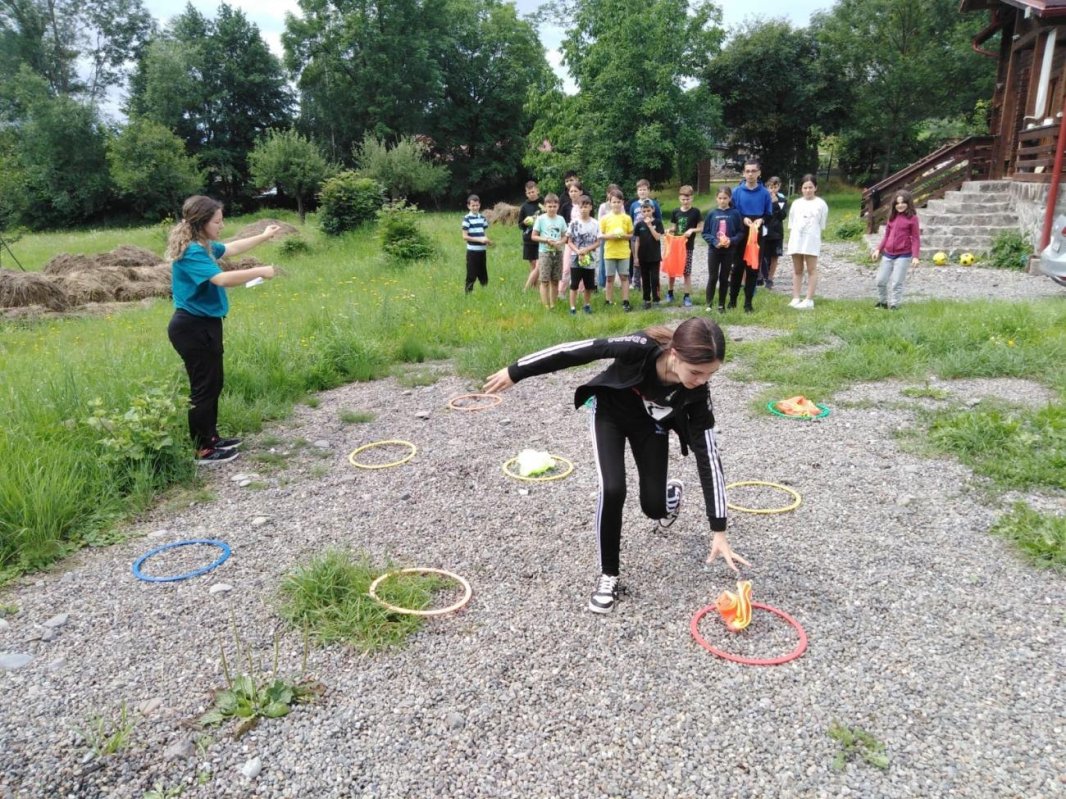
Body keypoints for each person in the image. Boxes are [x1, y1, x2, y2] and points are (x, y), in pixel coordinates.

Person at [482, 317, 749, 614]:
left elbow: (709, 455)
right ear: (674, 354)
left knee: (653, 507)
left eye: (710, 375)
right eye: (697, 372)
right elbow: (576, 351)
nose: (702, 380)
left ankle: (667, 498)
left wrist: (719, 529)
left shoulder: (698, 393)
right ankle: (609, 575)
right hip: (610, 413)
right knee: (612, 489)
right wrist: (516, 371)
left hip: (651, 425)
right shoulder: (639, 347)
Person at [165, 195, 278, 465]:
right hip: (192, 327)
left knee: (213, 384)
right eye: (217, 221)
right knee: (203, 389)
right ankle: (202, 450)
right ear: (202, 222)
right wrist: (258, 270)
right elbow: (221, 278)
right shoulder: (192, 251)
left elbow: (231, 248)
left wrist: (263, 236)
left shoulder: (202, 245)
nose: (222, 225)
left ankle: (211, 438)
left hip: (204, 324)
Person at [871, 189, 921, 310]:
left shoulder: (913, 218)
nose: (900, 205)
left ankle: (894, 305)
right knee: (880, 281)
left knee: (897, 282)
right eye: (897, 203)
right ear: (894, 205)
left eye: (903, 202)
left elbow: (915, 238)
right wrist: (878, 249)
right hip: (888, 254)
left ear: (908, 203)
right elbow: (886, 235)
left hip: (903, 255)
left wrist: (915, 256)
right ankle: (882, 303)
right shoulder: (891, 217)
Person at [786, 174, 829, 309]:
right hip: (797, 239)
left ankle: (809, 299)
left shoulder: (821, 204)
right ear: (801, 189)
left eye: (810, 187)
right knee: (797, 270)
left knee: (811, 269)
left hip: (811, 240)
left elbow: (821, 224)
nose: (808, 190)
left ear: (815, 188)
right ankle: (796, 297)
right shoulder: (796, 203)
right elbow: (792, 222)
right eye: (805, 187)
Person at [701, 186, 744, 312]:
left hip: (728, 251)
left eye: (725, 198)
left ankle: (721, 304)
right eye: (720, 198)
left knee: (724, 278)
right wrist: (714, 241)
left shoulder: (735, 213)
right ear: (716, 199)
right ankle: (709, 304)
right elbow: (705, 233)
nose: (722, 201)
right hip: (714, 251)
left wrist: (731, 241)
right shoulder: (711, 213)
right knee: (712, 277)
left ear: (730, 198)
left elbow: (741, 233)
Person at [531, 193, 569, 308]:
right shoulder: (541, 219)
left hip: (558, 252)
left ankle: (553, 304)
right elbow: (534, 236)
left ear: (558, 206)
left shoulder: (561, 219)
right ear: (545, 206)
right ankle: (545, 305)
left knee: (555, 280)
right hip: (545, 252)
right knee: (544, 280)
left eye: (554, 206)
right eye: (549, 206)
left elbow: (565, 236)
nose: (552, 208)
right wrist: (546, 240)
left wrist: (560, 242)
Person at [598, 188, 634, 311]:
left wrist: (623, 236)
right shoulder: (605, 218)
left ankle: (625, 301)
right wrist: (611, 236)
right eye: (614, 202)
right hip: (610, 252)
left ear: (622, 202)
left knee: (624, 277)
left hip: (623, 252)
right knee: (609, 278)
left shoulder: (627, 218)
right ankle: (608, 300)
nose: (616, 204)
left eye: (618, 202)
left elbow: (631, 235)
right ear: (609, 203)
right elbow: (601, 235)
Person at [667, 185, 702, 306]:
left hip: (688, 247)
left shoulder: (696, 212)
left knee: (686, 272)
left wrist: (692, 230)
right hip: (675, 245)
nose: (685, 201)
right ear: (679, 199)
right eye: (683, 199)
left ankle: (686, 296)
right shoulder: (675, 211)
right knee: (672, 270)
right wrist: (670, 230)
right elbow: (674, 227)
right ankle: (670, 292)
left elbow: (700, 228)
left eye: (687, 199)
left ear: (692, 198)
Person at [566, 194, 600, 314]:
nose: (584, 209)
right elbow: (569, 241)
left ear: (590, 207)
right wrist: (578, 251)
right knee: (574, 283)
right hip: (576, 257)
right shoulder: (573, 223)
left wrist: (587, 249)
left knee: (589, 284)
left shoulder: (595, 223)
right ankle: (572, 307)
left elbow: (598, 242)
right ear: (578, 208)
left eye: (586, 206)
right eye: (581, 207)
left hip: (590, 257)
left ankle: (586, 304)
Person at [628, 179, 661, 292]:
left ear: (648, 190)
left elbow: (658, 219)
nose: (642, 192)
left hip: (650, 236)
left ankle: (655, 285)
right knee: (636, 259)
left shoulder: (653, 203)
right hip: (636, 235)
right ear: (637, 191)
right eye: (640, 189)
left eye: (644, 189)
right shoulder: (633, 205)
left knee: (651, 260)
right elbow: (631, 219)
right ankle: (636, 284)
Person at [633, 200, 665, 309]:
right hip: (643, 256)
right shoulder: (639, 225)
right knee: (645, 279)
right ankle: (646, 300)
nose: (646, 213)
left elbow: (657, 237)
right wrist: (636, 256)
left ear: (653, 210)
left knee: (655, 279)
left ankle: (656, 299)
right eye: (644, 211)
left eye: (648, 210)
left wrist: (650, 225)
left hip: (654, 256)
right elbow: (637, 241)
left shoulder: (658, 223)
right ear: (641, 212)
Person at [759, 176, 788, 290]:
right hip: (764, 232)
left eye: (775, 187)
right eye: (770, 187)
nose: (772, 190)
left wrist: (775, 204)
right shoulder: (763, 198)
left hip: (777, 233)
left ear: (779, 187)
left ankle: (770, 279)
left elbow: (782, 216)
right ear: (767, 187)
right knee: (761, 255)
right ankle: (760, 276)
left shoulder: (782, 199)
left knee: (774, 256)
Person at [461, 194, 492, 293]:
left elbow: (483, 233)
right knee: (471, 274)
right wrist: (480, 240)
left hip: (482, 251)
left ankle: (485, 292)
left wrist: (487, 240)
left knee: (483, 273)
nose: (475, 207)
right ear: (468, 206)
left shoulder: (482, 218)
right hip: (472, 251)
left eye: (477, 205)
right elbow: (465, 236)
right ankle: (468, 294)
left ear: (480, 205)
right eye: (473, 205)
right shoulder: (467, 219)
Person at [519, 180, 542, 291]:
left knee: (539, 265)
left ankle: (526, 288)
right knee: (533, 265)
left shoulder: (543, 203)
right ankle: (535, 287)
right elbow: (520, 225)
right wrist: (525, 222)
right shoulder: (524, 206)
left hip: (541, 238)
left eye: (533, 192)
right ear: (526, 193)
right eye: (529, 193)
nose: (531, 194)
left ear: (537, 190)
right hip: (528, 239)